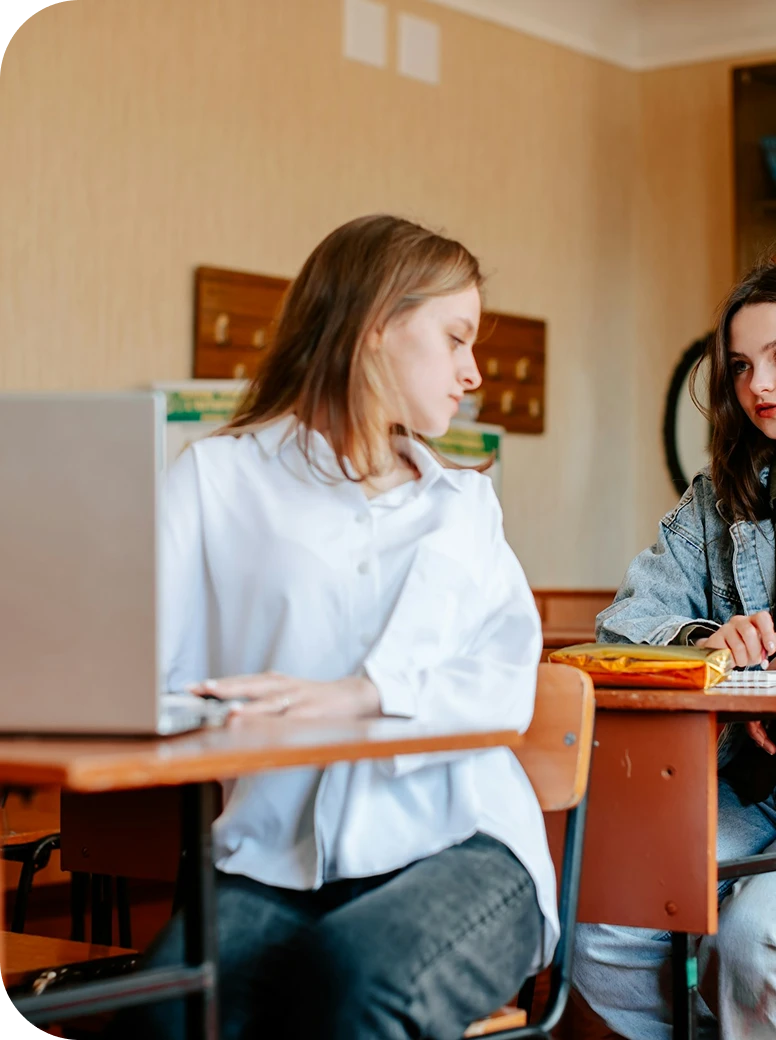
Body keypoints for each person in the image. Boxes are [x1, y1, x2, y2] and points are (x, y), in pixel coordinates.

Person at [109, 215, 555, 1040]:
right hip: (274, 857)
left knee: (354, 980)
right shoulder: (217, 480)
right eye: (456, 338)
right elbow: (140, 668)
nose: (473, 372)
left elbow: (502, 689)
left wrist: (356, 697)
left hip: (462, 840)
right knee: (165, 1014)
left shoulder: (462, 506)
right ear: (377, 323)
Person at [572, 257, 776, 1040]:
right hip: (758, 788)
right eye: (741, 365)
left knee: (755, 936)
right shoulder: (719, 496)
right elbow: (623, 624)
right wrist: (707, 643)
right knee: (605, 921)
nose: (758, 384)